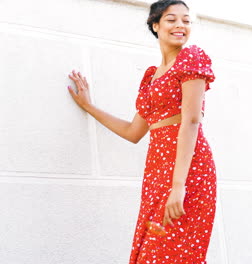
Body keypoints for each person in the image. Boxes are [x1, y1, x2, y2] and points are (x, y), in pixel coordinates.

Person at [67, 0, 217, 263]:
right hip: (157, 173)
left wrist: (178, 186)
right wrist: (89, 107)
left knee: (175, 251)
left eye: (186, 20)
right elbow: (133, 131)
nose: (180, 25)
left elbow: (191, 122)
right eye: (171, 19)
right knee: (152, 250)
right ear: (156, 25)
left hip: (188, 172)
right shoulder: (151, 77)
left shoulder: (191, 58)